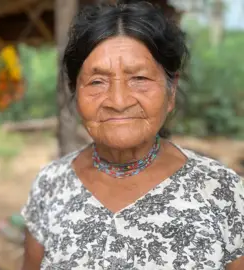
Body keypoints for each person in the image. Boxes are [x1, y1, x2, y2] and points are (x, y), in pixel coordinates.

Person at [20, 2, 244, 270]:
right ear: (75, 93)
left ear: (171, 92)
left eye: (139, 78)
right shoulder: (51, 185)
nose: (118, 100)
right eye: (97, 82)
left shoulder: (221, 191)